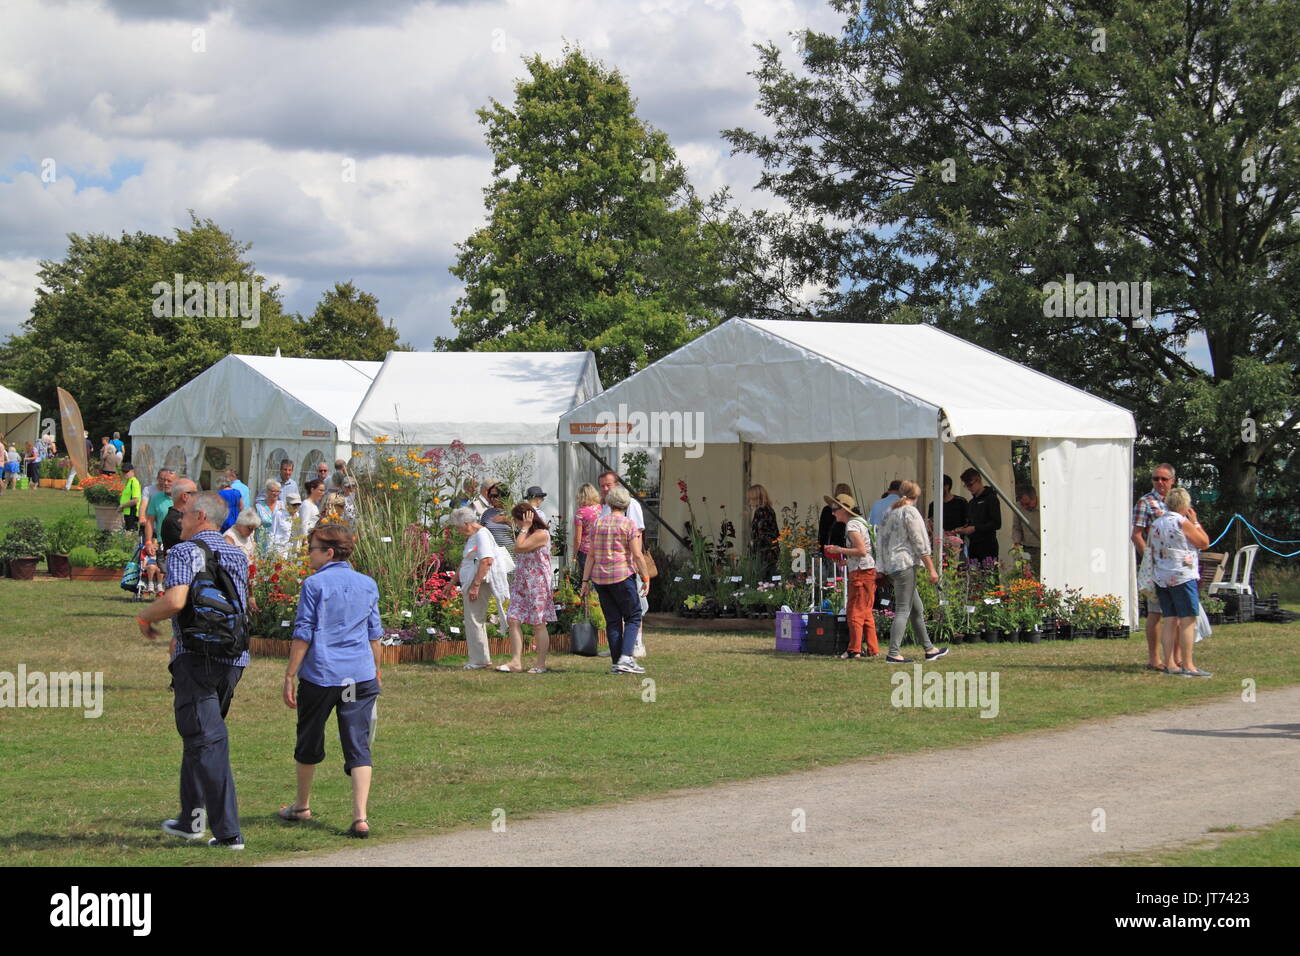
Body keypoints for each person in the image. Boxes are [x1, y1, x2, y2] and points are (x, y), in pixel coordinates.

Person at [136, 490, 251, 850]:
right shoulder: (237, 552)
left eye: (183, 514)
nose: (178, 520)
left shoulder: (185, 551)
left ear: (201, 516)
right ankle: (191, 819)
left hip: (197, 656)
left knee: (208, 740)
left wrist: (144, 616)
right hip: (233, 658)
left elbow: (176, 600)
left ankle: (228, 832)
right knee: (200, 736)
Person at [279, 523, 383, 837]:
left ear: (328, 552)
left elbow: (303, 633)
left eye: (311, 548)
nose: (307, 554)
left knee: (309, 737)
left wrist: (289, 673)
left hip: (322, 676)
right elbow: (374, 634)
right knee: (357, 742)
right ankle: (360, 817)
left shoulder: (314, 584)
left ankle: (302, 805)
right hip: (359, 675)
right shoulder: (367, 583)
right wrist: (377, 670)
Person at [877, 480, 949, 664]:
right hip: (904, 564)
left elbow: (881, 540)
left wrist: (882, 567)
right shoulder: (910, 512)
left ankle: (929, 649)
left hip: (892, 565)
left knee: (917, 608)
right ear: (916, 496)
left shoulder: (889, 512)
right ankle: (893, 652)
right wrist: (932, 569)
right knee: (903, 608)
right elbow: (920, 543)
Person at [581, 485, 649, 675]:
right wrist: (645, 577)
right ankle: (626, 657)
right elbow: (637, 554)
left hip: (600, 579)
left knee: (612, 621)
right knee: (633, 616)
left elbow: (591, 555)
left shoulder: (598, 523)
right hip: (622, 576)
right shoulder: (628, 524)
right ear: (626, 504)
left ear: (609, 503)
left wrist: (585, 581)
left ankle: (616, 663)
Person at [1150, 486, 1212, 677]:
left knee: (1170, 619)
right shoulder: (1182, 522)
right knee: (1187, 619)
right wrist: (1196, 522)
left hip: (1162, 576)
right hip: (1182, 575)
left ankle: (1169, 663)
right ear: (1185, 505)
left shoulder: (1156, 523)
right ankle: (1188, 664)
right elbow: (1204, 542)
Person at [598, 469, 649, 659]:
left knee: (636, 605)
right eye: (602, 485)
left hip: (627, 563)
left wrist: (638, 560)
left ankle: (637, 643)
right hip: (610, 567)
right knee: (616, 612)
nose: (604, 489)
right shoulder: (606, 507)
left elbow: (638, 532)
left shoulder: (631, 504)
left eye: (608, 485)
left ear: (617, 485)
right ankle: (618, 648)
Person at [499, 502, 555, 673]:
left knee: (538, 623)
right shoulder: (527, 533)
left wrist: (525, 527)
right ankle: (516, 662)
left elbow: (519, 547)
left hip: (537, 584)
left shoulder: (541, 534)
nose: (515, 524)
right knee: (513, 619)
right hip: (522, 583)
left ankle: (540, 664)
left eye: (517, 520)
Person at [451, 507, 509, 670]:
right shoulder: (474, 536)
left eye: (459, 527)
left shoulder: (481, 535)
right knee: (474, 619)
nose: (459, 531)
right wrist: (451, 583)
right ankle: (481, 657)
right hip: (472, 581)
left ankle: (479, 660)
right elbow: (466, 561)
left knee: (474, 619)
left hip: (479, 583)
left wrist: (475, 586)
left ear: (467, 523)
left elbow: (486, 560)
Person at [823, 492, 878, 659]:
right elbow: (865, 551)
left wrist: (838, 550)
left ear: (844, 510)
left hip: (862, 573)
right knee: (866, 612)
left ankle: (854, 650)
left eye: (835, 509)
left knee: (854, 611)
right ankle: (872, 649)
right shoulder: (861, 522)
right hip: (868, 570)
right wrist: (847, 561)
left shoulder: (852, 526)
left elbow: (861, 550)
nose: (832, 513)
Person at [1132, 462, 1175, 671]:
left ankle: (1174, 658)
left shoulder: (1177, 502)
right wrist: (1149, 559)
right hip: (1157, 566)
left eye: (1164, 479)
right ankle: (1154, 658)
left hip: (1175, 567)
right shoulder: (1146, 502)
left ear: (1172, 481)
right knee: (1156, 612)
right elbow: (1136, 535)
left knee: (1176, 613)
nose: (1159, 482)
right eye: (1156, 479)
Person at [956, 468, 1001, 562]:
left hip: (987, 547)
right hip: (973, 547)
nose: (969, 488)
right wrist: (963, 529)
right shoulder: (971, 502)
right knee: (974, 575)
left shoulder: (991, 498)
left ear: (979, 479)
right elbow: (971, 522)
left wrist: (975, 528)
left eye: (970, 485)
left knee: (989, 575)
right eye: (966, 486)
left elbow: (996, 523)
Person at [818, 482, 852, 576]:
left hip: (830, 550)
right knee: (846, 578)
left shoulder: (827, 510)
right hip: (847, 550)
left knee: (832, 578)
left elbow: (822, 532)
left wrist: (822, 549)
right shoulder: (852, 511)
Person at [142, 470, 176, 564]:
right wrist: (148, 542)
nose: (165, 483)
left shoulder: (183, 498)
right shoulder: (156, 498)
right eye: (164, 480)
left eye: (169, 481)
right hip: (162, 543)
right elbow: (149, 521)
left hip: (180, 543)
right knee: (162, 571)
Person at [926, 474, 968, 547]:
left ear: (946, 486)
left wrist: (954, 532)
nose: (934, 488)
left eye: (937, 485)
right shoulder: (933, 505)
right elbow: (930, 523)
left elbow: (968, 522)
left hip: (958, 543)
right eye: (933, 486)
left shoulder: (961, 502)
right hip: (939, 543)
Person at [748, 483, 779, 577]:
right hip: (772, 550)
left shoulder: (760, 511)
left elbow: (762, 534)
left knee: (762, 579)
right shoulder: (770, 510)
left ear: (756, 498)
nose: (749, 501)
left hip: (763, 553)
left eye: (750, 498)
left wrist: (754, 549)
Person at [256, 479, 292, 554]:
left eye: (278, 491)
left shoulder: (283, 506)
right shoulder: (259, 506)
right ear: (267, 491)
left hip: (278, 545)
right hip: (262, 543)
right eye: (273, 491)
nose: (275, 493)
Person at [1011, 485, 1041, 574]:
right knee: (1027, 577)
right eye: (1022, 504)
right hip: (1026, 547)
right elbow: (1016, 527)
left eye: (1027, 504)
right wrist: (1016, 542)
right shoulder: (1018, 507)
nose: (1025, 507)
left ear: (1035, 498)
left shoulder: (1044, 506)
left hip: (1041, 548)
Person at [162, 479, 198, 552]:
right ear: (185, 496)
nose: (197, 497)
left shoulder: (181, 517)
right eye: (195, 494)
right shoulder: (174, 520)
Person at [573, 482, 602, 571]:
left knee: (586, 579)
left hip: (586, 551)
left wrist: (574, 555)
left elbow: (578, 539)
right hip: (601, 548)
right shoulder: (601, 508)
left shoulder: (580, 513)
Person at [119, 462, 142, 532]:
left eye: (126, 471)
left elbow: (135, 500)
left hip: (132, 512)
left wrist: (122, 506)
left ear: (132, 471)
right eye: (123, 471)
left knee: (130, 534)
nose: (124, 473)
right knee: (127, 532)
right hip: (127, 512)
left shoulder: (134, 482)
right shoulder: (129, 481)